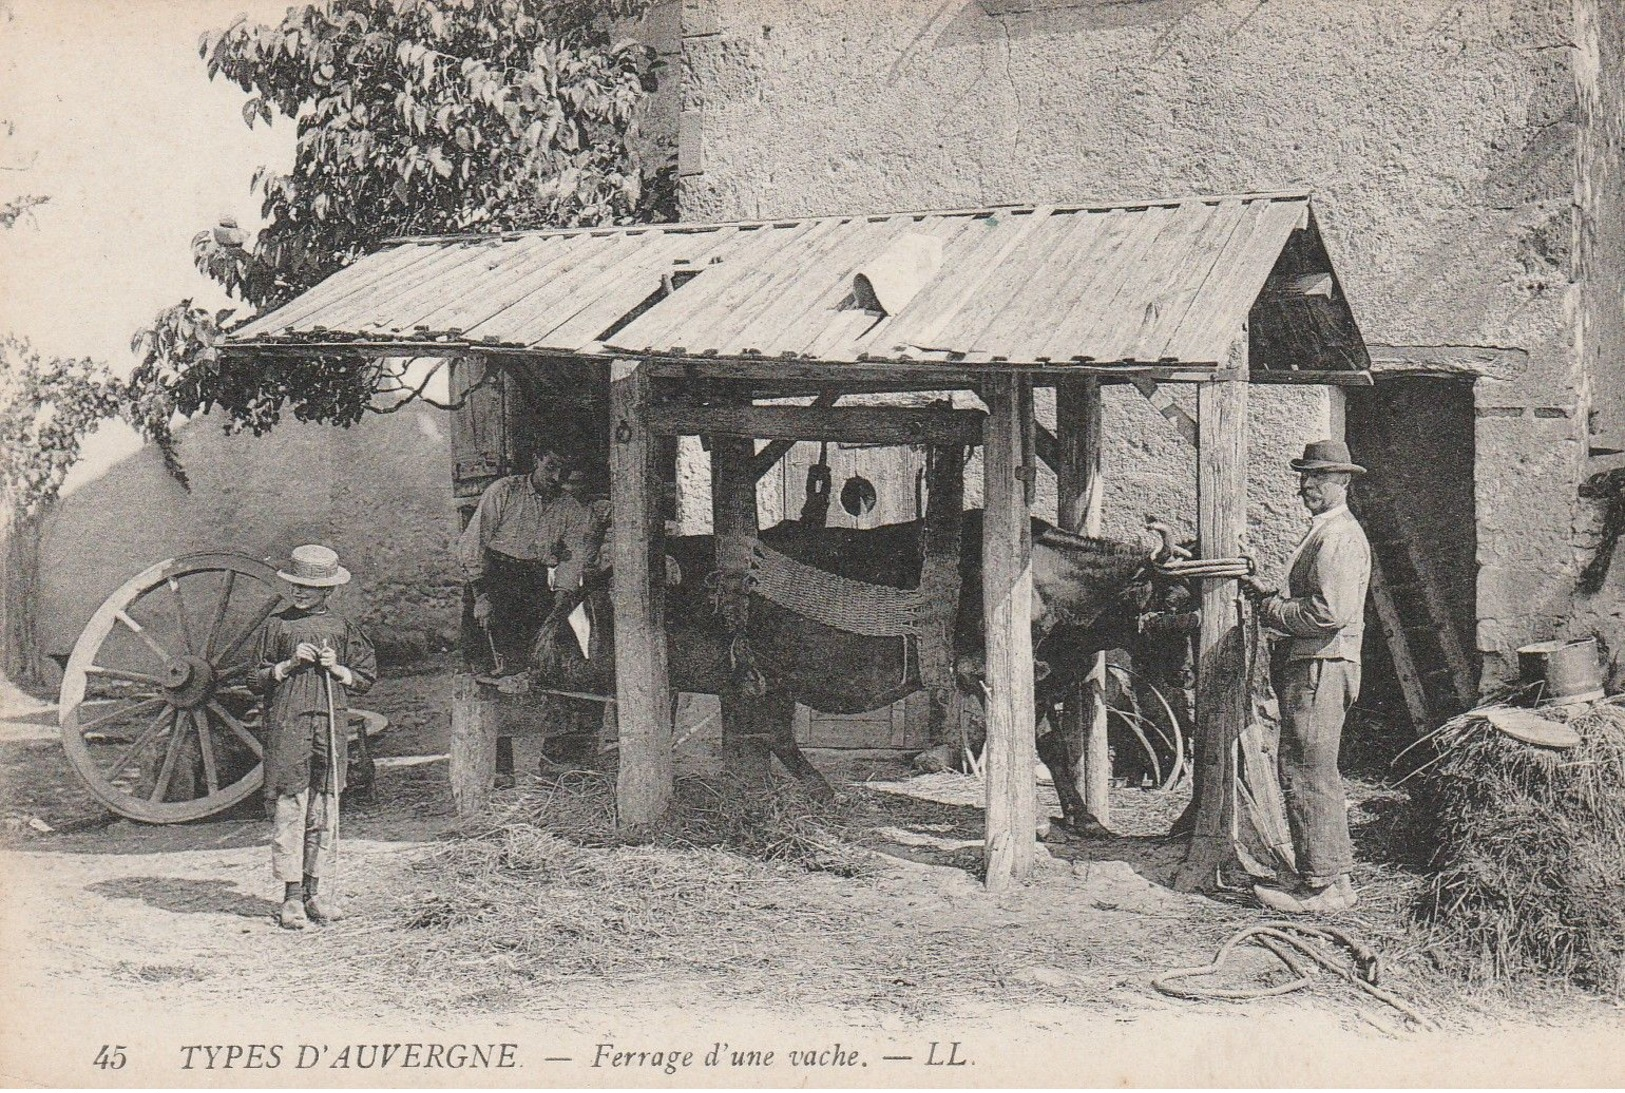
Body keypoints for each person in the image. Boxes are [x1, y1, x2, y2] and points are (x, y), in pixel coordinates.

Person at [1242, 440, 1372, 915]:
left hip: (1322, 665)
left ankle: (1320, 889)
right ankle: (1334, 882)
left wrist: (1271, 607)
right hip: (1319, 664)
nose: (1306, 486)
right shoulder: (1325, 531)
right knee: (1315, 771)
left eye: (1319, 477)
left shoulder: (1337, 535)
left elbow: (1328, 612)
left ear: (1344, 481)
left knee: (1304, 769)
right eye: (1304, 476)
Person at [457, 443, 608, 765]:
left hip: (532, 584)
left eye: (565, 471)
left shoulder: (569, 507)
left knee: (552, 667)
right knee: (493, 673)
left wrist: (561, 602)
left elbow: (574, 558)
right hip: (492, 579)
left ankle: (554, 764)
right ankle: (499, 770)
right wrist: (480, 595)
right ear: (536, 458)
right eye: (551, 466)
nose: (557, 476)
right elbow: (472, 546)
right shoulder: (504, 491)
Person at [251, 545, 376, 930]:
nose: (301, 592)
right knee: (293, 805)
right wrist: (287, 665)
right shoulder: (278, 627)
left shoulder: (342, 629)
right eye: (296, 585)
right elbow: (253, 678)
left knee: (325, 806)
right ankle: (290, 898)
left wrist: (337, 669)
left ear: (328, 591)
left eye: (310, 586)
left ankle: (315, 892)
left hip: (330, 722)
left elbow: (366, 678)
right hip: (290, 724)